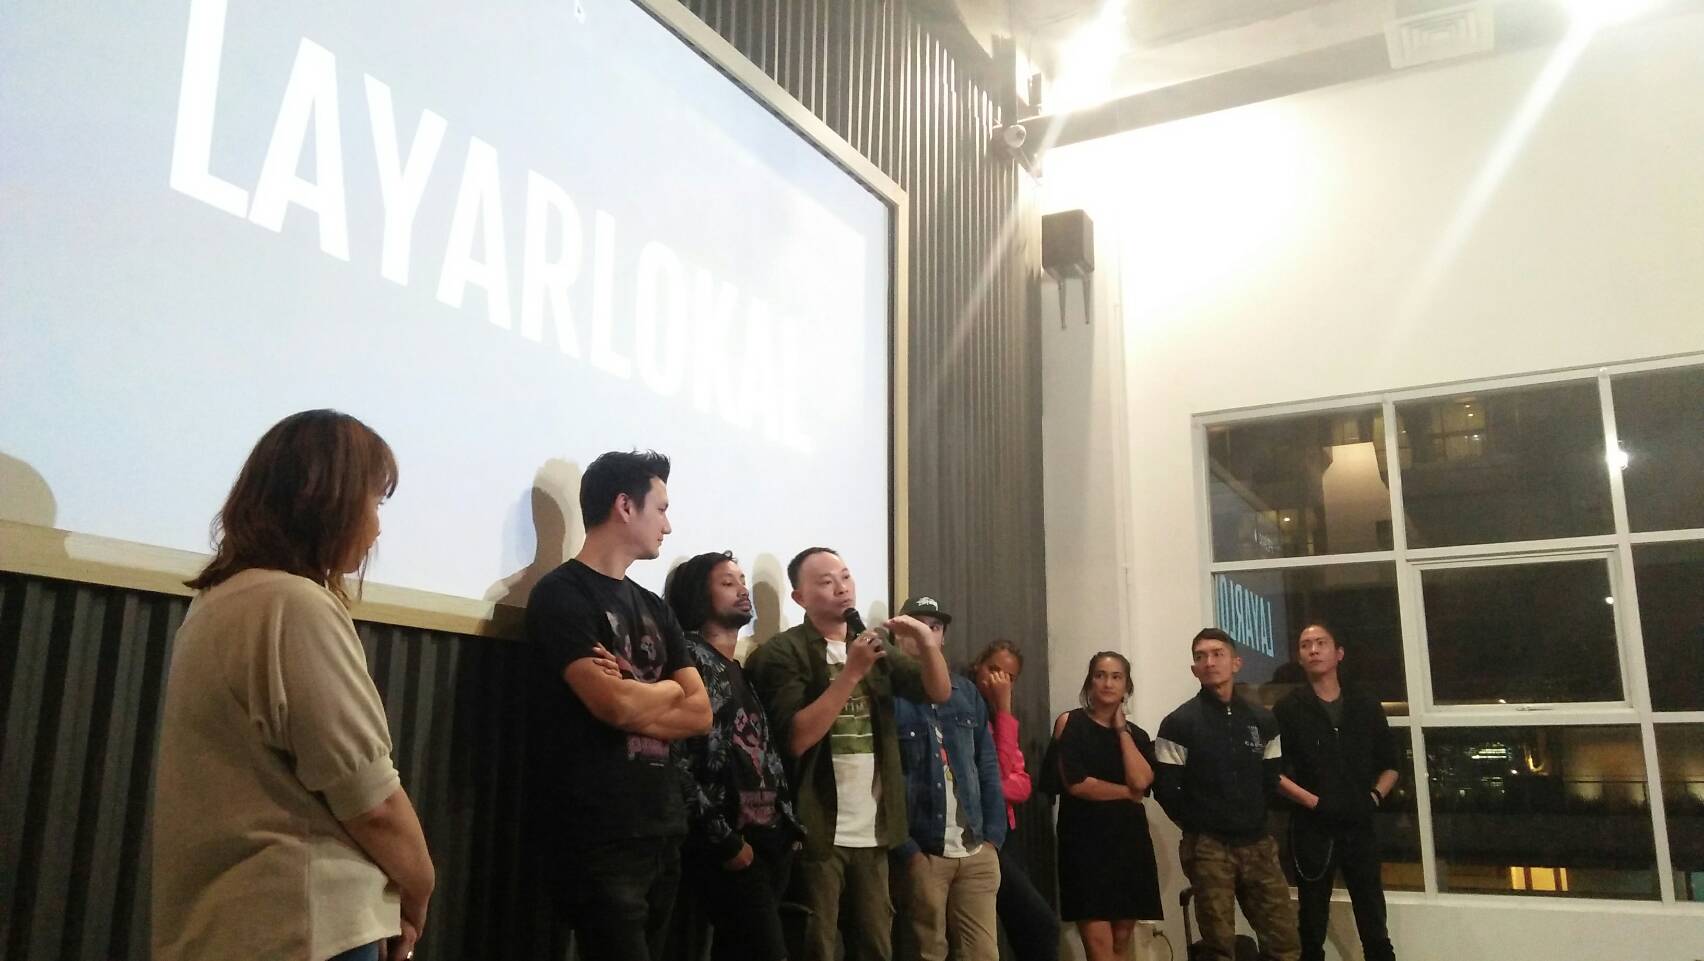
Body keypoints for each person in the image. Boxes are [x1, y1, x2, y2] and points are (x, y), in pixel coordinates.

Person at [153, 409, 434, 961]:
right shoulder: (294, 604)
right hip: (304, 924)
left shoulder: (216, 603)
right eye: (374, 501)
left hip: (228, 926)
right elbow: (371, 801)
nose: (377, 527)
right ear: (326, 500)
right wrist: (420, 887)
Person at [525, 450, 713, 961]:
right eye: (661, 509)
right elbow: (613, 706)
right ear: (625, 506)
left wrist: (643, 692)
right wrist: (668, 689)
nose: (668, 526)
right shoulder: (561, 594)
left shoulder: (654, 606)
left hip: (663, 827)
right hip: (600, 833)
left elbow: (700, 714)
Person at [745, 547, 951, 961]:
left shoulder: (873, 645)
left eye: (845, 576)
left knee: (875, 946)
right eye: (826, 582)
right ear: (799, 597)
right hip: (816, 828)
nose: (842, 588)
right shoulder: (781, 653)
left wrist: (927, 644)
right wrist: (852, 672)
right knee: (815, 945)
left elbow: (937, 691)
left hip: (875, 827)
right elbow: (796, 739)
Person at [664, 551, 804, 961]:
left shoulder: (737, 668)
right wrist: (723, 840)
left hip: (769, 840)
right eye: (728, 583)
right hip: (729, 843)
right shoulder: (688, 659)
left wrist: (787, 825)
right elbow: (677, 759)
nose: (743, 590)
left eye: (743, 580)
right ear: (698, 594)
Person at [1154, 628, 1300, 961]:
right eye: (1201, 656)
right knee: (1219, 946)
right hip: (1209, 847)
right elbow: (1166, 789)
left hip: (1258, 844)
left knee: (1285, 941)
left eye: (1217, 654)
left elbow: (1271, 778)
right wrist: (1200, 826)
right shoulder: (1178, 723)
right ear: (1194, 669)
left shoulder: (1263, 720)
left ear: (1236, 663)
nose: (1209, 662)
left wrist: (1251, 817)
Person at [1274, 622, 1400, 961]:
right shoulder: (1288, 708)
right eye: (1305, 645)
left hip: (1360, 822)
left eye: (1321, 643)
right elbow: (1273, 773)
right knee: (1312, 920)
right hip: (1312, 826)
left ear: (1339, 653)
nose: (1313, 650)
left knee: (1373, 916)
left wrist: (1373, 797)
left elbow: (1391, 763)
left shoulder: (1365, 703)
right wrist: (1314, 803)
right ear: (1299, 657)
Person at [890, 596, 1006, 961]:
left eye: (935, 627)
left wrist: (993, 838)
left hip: (975, 847)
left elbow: (987, 765)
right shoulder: (889, 693)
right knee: (927, 952)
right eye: (917, 626)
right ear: (899, 634)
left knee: (983, 953)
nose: (927, 634)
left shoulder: (965, 692)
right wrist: (907, 851)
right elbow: (882, 777)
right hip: (924, 850)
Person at [1049, 652, 1162, 961]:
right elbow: (1077, 784)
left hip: (1128, 843)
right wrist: (1127, 793)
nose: (1108, 683)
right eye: (1100, 675)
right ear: (1090, 682)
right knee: (1098, 948)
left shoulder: (1137, 735)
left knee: (1121, 944)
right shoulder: (1071, 722)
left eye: (1116, 677)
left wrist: (1121, 730)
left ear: (1127, 685)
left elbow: (1142, 781)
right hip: (1085, 844)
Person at [970, 639, 1060, 961]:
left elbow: (1022, 784)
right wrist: (1005, 709)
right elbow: (991, 775)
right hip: (979, 834)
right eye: (993, 669)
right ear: (978, 667)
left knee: (1027, 926)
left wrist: (1003, 714)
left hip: (1006, 830)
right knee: (1039, 924)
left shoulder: (998, 717)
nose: (999, 680)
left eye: (1008, 677)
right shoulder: (968, 708)